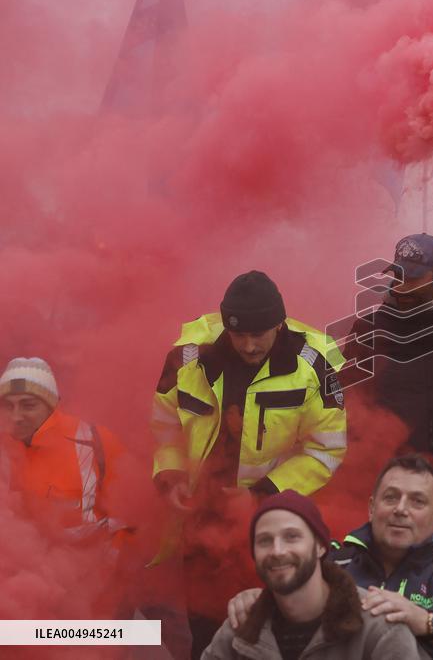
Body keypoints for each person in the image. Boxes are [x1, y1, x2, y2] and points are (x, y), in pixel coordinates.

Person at [151, 270, 347, 656]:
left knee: (272, 624)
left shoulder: (316, 363)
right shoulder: (188, 356)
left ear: (280, 324)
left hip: (277, 516)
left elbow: (327, 449)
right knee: (204, 624)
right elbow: (166, 426)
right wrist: (171, 477)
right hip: (202, 515)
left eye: (259, 333)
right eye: (239, 334)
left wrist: (261, 497)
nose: (249, 344)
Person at [228, 454, 433, 659]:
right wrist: (258, 600)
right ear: (372, 508)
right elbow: (287, 607)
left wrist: (423, 621)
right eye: (390, 497)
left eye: (417, 501)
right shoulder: (332, 562)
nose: (401, 509)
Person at [339, 234, 433, 548]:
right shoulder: (369, 327)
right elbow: (346, 401)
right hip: (389, 484)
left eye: (413, 277)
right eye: (397, 274)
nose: (401, 284)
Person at [202, 490, 420, 659]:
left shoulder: (379, 630)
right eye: (265, 541)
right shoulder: (241, 629)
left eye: (292, 537)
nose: (277, 551)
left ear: (320, 547)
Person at [1, 357, 127, 538]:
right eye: (8, 406)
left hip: (89, 561)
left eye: (28, 406)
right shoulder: (4, 448)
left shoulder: (94, 441)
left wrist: (108, 563)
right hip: (21, 562)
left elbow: (129, 518)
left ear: (52, 405)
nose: (16, 417)